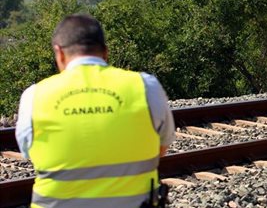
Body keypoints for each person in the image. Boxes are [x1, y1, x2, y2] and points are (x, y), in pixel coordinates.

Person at [15, 14, 175, 208]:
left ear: (59, 53)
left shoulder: (34, 96)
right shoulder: (145, 86)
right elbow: (161, 148)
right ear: (105, 52)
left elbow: (30, 153)